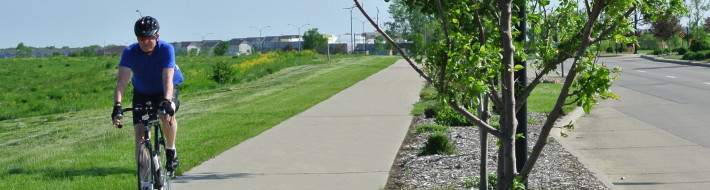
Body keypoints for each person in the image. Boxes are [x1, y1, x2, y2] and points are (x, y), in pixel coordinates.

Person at [112, 16, 183, 173]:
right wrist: (117, 105)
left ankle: (171, 151)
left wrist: (166, 101)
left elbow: (168, 79)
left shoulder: (166, 49)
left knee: (166, 114)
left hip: (165, 88)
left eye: (149, 38)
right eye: (141, 38)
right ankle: (144, 175)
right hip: (142, 91)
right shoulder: (130, 52)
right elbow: (121, 82)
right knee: (140, 135)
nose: (145, 42)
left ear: (156, 36)